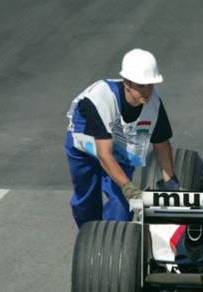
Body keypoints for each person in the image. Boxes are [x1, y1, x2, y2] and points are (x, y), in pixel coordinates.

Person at [65, 48, 179, 227]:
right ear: (127, 82)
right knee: (87, 198)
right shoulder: (100, 99)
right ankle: (89, 237)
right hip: (85, 145)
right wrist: (130, 189)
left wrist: (171, 182)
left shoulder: (154, 104)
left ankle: (112, 242)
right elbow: (104, 155)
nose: (147, 91)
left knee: (121, 202)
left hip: (119, 141)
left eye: (151, 85)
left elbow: (161, 144)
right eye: (141, 85)